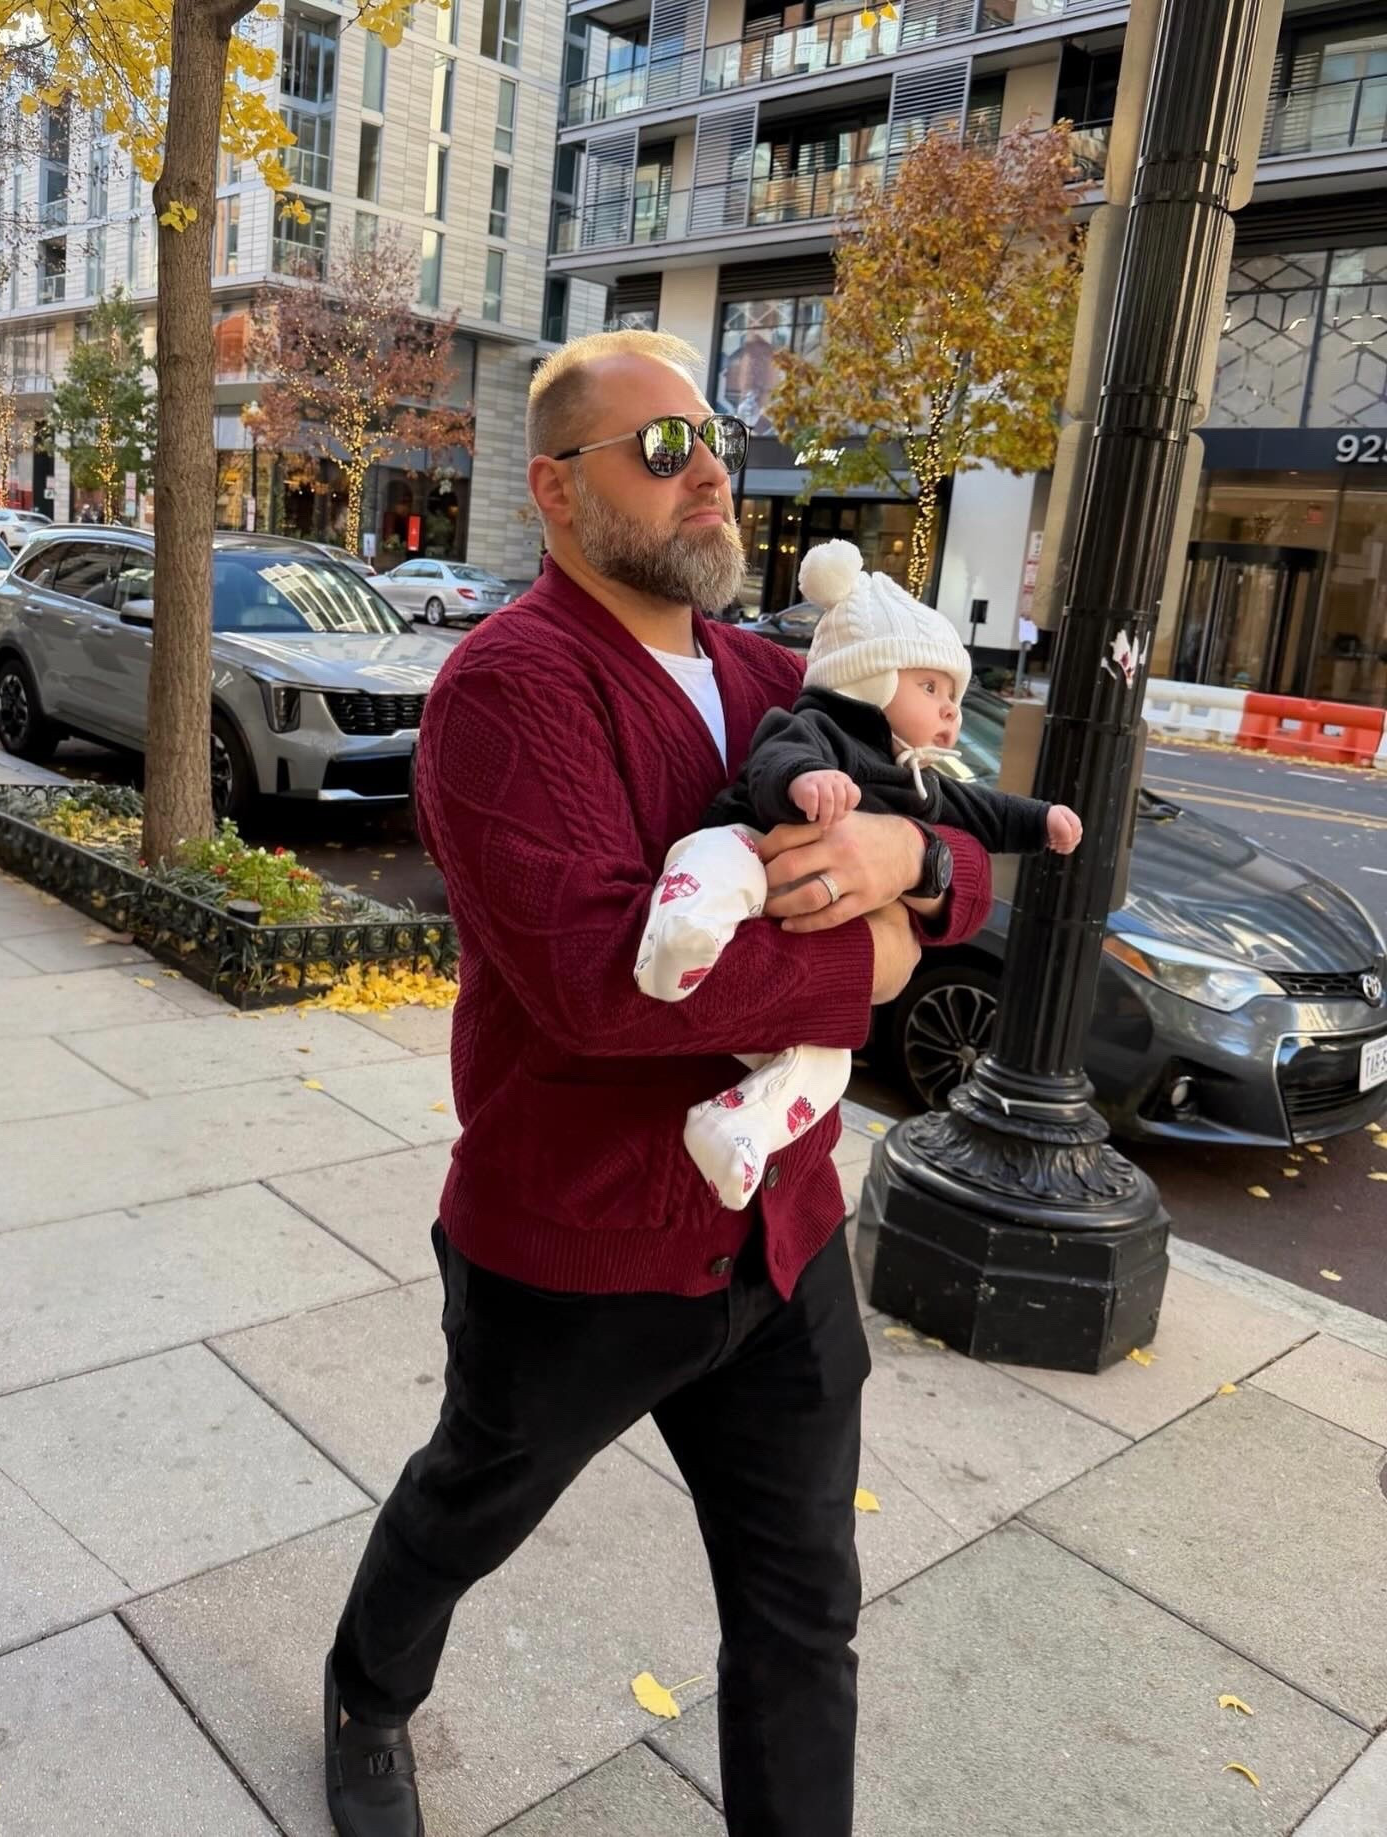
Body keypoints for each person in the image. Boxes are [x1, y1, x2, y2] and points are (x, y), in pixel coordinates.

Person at [323, 329, 994, 1837]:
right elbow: (599, 981)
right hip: (578, 1249)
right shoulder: (509, 687)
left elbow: (964, 847)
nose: (710, 477)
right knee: (468, 1503)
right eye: (664, 448)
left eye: (716, 441)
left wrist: (913, 857)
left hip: (782, 1238)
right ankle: (368, 1691)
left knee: (805, 1611)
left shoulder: (779, 675)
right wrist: (871, 962)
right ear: (559, 491)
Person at [635, 537, 1083, 1207]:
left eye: (953, 695)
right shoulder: (820, 724)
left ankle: (740, 1126)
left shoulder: (914, 779)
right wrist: (809, 782)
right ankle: (681, 933)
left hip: (795, 1197)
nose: (950, 708)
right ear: (870, 677)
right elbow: (775, 762)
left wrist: (1031, 823)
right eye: (929, 686)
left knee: (829, 1065)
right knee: (722, 857)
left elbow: (977, 827)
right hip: (757, 854)